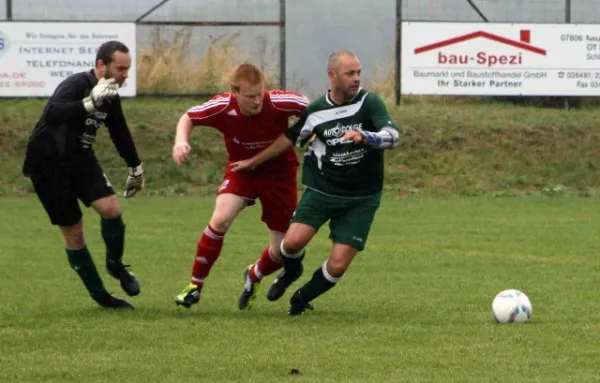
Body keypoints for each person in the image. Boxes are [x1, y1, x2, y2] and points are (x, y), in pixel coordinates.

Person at [230, 50, 400, 315]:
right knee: (291, 243)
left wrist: (367, 136)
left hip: (361, 198)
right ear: (332, 76)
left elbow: (392, 135)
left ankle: (300, 298)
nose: (356, 78)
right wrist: (254, 162)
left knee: (337, 266)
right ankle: (291, 272)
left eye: (358, 72)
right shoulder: (317, 111)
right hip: (323, 190)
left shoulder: (370, 103)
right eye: (349, 73)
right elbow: (289, 139)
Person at [172, 62, 309, 310]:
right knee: (221, 219)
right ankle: (194, 286)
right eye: (250, 97)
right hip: (241, 171)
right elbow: (188, 117)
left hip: (279, 174)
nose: (257, 101)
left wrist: (314, 133)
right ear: (234, 92)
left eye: (259, 94)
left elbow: (313, 109)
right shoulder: (222, 106)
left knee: (283, 249)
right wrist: (181, 142)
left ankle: (254, 273)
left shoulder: (278, 101)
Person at [22, 40, 145, 310]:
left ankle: (115, 266)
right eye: (121, 68)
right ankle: (103, 297)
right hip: (48, 165)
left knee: (111, 209)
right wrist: (88, 104)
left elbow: (119, 132)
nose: (125, 74)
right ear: (102, 65)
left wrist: (135, 166)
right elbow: (53, 113)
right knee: (74, 234)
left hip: (81, 160)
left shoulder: (111, 95)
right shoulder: (77, 84)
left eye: (128, 69)